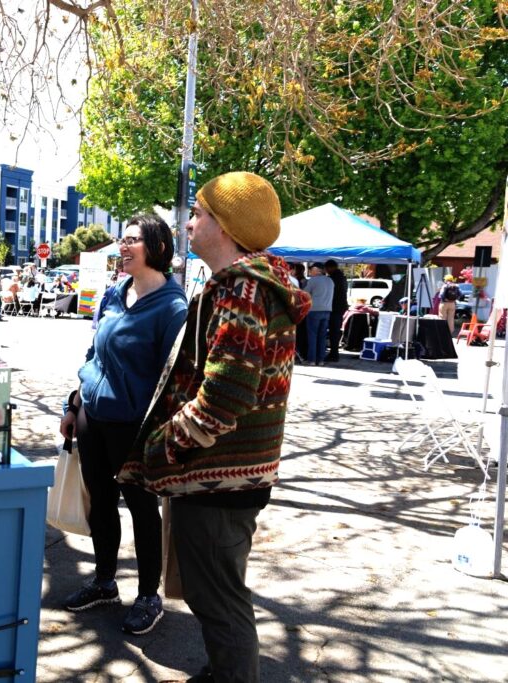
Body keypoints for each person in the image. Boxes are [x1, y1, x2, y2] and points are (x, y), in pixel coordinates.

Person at [119, 171, 311, 682]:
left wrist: (164, 446)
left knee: (220, 599)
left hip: (219, 477)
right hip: (225, 475)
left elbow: (226, 396)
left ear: (224, 226)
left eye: (200, 213)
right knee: (215, 593)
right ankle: (224, 670)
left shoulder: (244, 288)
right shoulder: (246, 284)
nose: (190, 223)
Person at [59, 213, 188, 636]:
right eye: (122, 239)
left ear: (158, 249)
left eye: (132, 240)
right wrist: (73, 404)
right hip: (93, 419)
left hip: (137, 430)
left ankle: (149, 595)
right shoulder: (114, 294)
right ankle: (104, 581)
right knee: (100, 503)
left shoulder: (173, 308)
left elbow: (177, 380)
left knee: (142, 511)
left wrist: (164, 435)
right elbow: (94, 356)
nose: (122, 247)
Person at [304, 262, 334, 366]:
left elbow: (305, 294)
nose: (310, 272)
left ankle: (312, 360)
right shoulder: (330, 281)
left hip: (314, 310)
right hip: (327, 310)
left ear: (317, 270)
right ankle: (321, 360)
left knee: (312, 336)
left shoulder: (313, 280)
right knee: (322, 336)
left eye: (311, 270)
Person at [324, 259, 348, 362]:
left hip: (334, 307)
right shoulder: (342, 277)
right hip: (340, 307)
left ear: (330, 268)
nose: (326, 270)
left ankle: (334, 354)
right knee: (335, 331)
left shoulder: (333, 278)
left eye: (326, 268)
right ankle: (334, 353)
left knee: (334, 331)